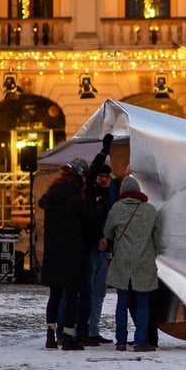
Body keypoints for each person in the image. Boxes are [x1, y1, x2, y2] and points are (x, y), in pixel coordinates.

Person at [39, 159, 94, 351]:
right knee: (71, 296)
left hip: (53, 253)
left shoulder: (51, 196)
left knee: (54, 296)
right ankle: (69, 337)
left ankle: (50, 336)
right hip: (73, 254)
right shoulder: (77, 200)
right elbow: (89, 224)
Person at [102, 174, 160, 353]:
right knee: (143, 303)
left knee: (122, 302)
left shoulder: (116, 209)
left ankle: (120, 341)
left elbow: (107, 232)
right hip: (144, 262)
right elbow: (157, 238)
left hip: (123, 262)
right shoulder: (150, 210)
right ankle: (141, 342)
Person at [76, 133, 117, 345]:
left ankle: (93, 330)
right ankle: (81, 329)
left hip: (106, 249)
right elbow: (91, 173)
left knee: (99, 293)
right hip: (92, 248)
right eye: (101, 176)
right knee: (88, 290)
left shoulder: (111, 194)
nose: (103, 179)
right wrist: (104, 152)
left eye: (106, 177)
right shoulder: (90, 191)